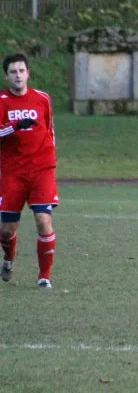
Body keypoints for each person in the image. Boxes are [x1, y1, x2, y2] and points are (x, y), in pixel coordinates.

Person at [0, 53, 58, 289]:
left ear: (28, 73)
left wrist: (50, 156)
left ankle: (44, 276)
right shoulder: (1, 102)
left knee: (43, 220)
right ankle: (9, 257)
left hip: (41, 169)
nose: (18, 75)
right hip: (12, 172)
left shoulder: (42, 99)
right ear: (6, 76)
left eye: (22, 71)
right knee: (5, 231)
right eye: (13, 72)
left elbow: (49, 130)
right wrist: (15, 126)